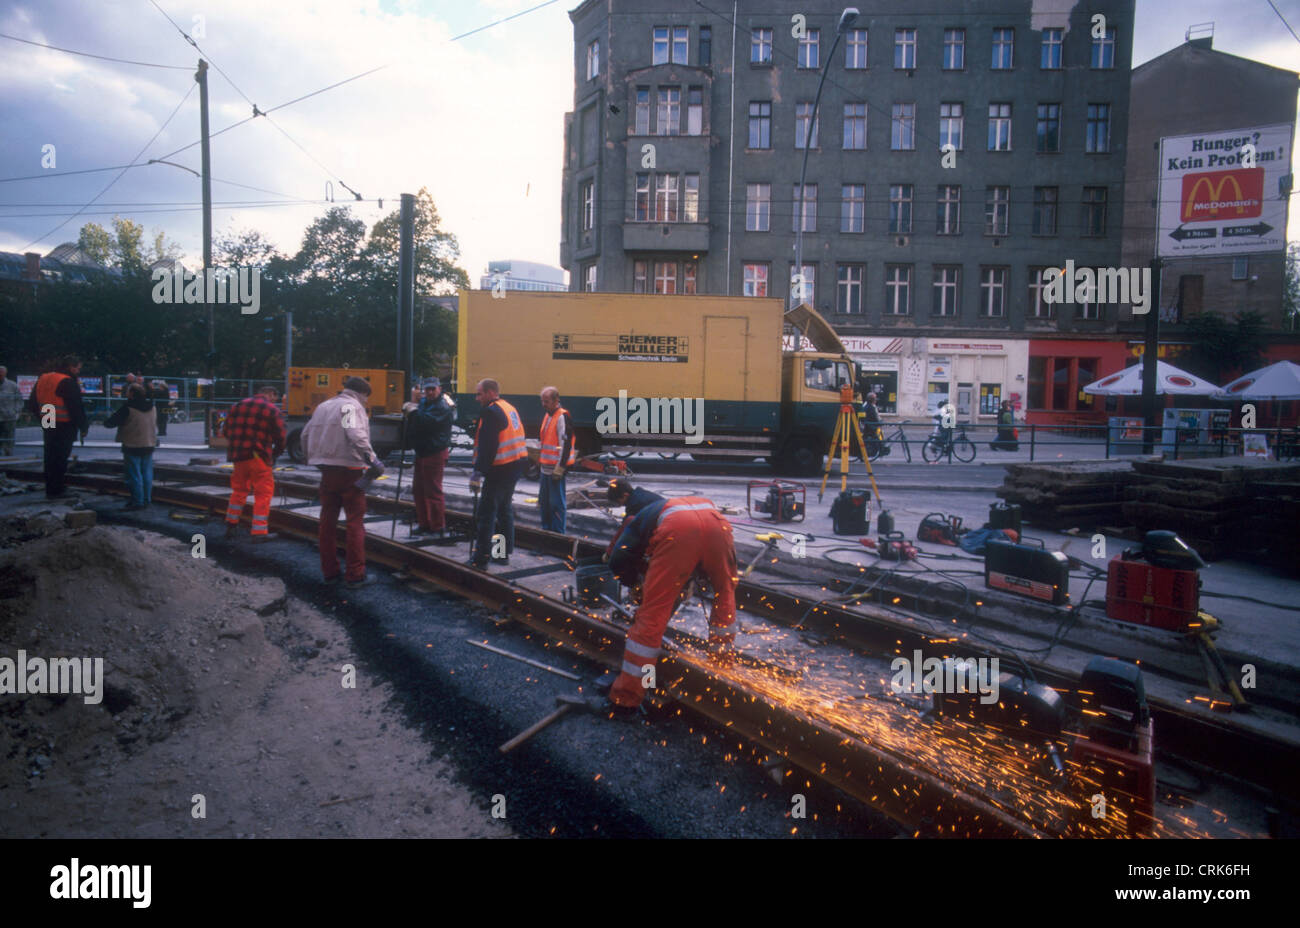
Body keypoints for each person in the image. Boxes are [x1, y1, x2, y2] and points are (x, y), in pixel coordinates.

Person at [606, 495, 738, 712]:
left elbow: (618, 560)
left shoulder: (634, 522)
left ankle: (628, 697)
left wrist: (635, 585)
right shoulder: (670, 506)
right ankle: (721, 667)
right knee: (725, 594)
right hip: (718, 526)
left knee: (652, 616)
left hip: (679, 533)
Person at [302, 377, 384, 587]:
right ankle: (355, 574)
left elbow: (305, 434)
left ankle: (330, 572)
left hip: (327, 472)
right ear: (362, 394)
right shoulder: (350, 406)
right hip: (349, 471)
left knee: (327, 523)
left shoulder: (323, 406)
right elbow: (355, 435)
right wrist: (373, 460)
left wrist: (313, 459)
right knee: (354, 523)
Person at [469, 378, 525, 569]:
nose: (477, 398)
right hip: (515, 465)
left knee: (487, 512)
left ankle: (481, 558)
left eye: (480, 393)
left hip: (500, 468)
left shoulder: (491, 412)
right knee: (503, 509)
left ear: (491, 392)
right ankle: (501, 555)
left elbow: (488, 447)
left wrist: (477, 473)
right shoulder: (508, 407)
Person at [222, 384, 287, 541]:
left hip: (238, 457)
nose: (275, 401)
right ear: (270, 394)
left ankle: (231, 524)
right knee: (263, 493)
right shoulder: (271, 410)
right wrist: (276, 453)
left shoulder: (237, 406)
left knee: (239, 490)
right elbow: (281, 437)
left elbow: (225, 431)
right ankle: (259, 531)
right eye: (275, 398)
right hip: (258, 457)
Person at [26, 355, 89, 498]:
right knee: (60, 457)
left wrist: (42, 416)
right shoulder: (67, 381)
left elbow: (33, 402)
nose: (78, 371)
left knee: (49, 455)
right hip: (64, 423)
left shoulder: (43, 377)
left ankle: (51, 487)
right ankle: (57, 489)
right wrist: (83, 426)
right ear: (71, 367)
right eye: (78, 368)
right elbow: (75, 407)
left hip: (48, 417)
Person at [404, 377, 455, 538]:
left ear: (439, 389)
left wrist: (411, 408)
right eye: (427, 389)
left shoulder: (442, 407)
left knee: (432, 490)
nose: (430, 392)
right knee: (418, 489)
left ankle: (438, 527)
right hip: (423, 451)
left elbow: (423, 422)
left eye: (433, 389)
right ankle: (425, 524)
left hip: (434, 451)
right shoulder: (426, 403)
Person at [104, 383, 157, 509]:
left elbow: (110, 423)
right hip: (148, 444)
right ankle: (146, 499)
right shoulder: (152, 407)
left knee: (134, 475)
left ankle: (137, 501)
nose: (126, 393)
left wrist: (104, 421)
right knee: (147, 473)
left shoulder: (127, 408)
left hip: (132, 445)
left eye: (128, 391)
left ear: (132, 394)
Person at [537, 386, 576, 534]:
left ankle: (558, 534)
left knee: (557, 504)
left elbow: (565, 444)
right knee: (545, 503)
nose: (544, 404)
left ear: (556, 400)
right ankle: (546, 532)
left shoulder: (562, 417)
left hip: (555, 470)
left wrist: (560, 468)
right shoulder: (548, 416)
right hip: (545, 468)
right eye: (542, 401)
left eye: (546, 401)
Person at [604, 478, 664, 558]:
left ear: (625, 495)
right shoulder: (639, 495)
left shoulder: (636, 504)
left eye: (619, 501)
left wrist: (609, 553)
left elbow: (627, 529)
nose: (620, 504)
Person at [0, 366, 22, 456]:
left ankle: (8, 452)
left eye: (1, 372)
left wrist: (15, 411)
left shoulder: (12, 386)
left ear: (5, 373)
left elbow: (19, 400)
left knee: (9, 436)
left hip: (9, 417)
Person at [861, 392, 885, 458]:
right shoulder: (871, 407)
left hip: (868, 426)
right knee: (878, 436)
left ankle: (881, 449)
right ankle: (881, 450)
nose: (876, 400)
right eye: (875, 399)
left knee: (880, 434)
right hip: (871, 427)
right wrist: (881, 422)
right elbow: (874, 417)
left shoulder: (866, 405)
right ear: (872, 400)